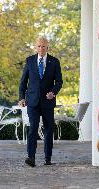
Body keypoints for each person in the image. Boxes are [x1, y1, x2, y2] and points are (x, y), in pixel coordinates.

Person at [18, 37, 63, 167]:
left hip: (48, 101)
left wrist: (53, 92)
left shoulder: (54, 61)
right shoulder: (30, 60)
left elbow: (59, 81)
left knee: (49, 129)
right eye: (38, 46)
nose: (41, 49)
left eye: (43, 46)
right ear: (35, 47)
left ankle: (47, 158)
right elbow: (23, 82)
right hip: (32, 101)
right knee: (33, 128)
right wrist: (21, 98)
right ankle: (31, 157)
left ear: (47, 47)